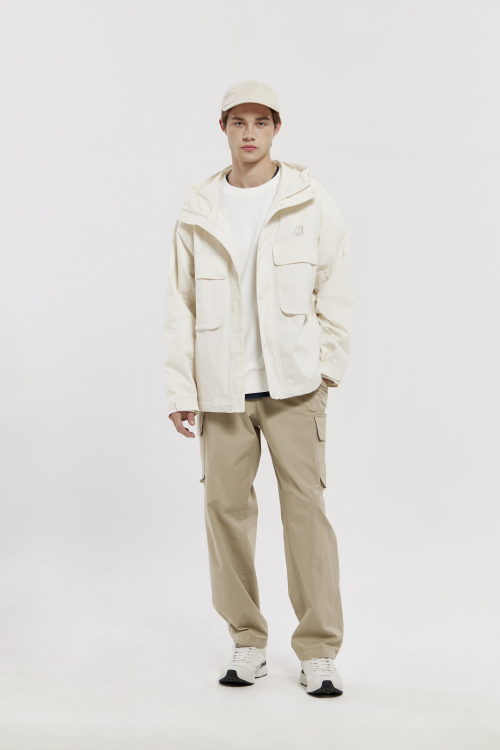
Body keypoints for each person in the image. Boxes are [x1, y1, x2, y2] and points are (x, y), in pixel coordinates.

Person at [163, 80, 354, 696]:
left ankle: (318, 650)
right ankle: (247, 641)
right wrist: (181, 390)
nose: (249, 133)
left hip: (295, 387)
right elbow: (180, 303)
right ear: (222, 128)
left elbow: (336, 281)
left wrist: (327, 366)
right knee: (225, 514)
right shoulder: (198, 206)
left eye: (261, 122)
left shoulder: (308, 198)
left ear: (276, 129)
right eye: (238, 122)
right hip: (221, 390)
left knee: (306, 515)